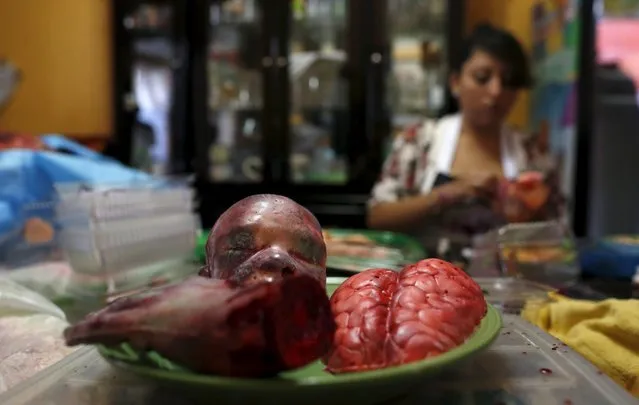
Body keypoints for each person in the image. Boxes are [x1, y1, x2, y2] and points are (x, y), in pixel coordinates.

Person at [367, 23, 563, 254]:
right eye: (482, 78)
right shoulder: (420, 142)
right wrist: (447, 194)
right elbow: (377, 217)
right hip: (426, 284)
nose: (496, 91)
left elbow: (557, 239)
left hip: (505, 284)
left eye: (508, 81)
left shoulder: (533, 152)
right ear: (455, 82)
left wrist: (525, 215)